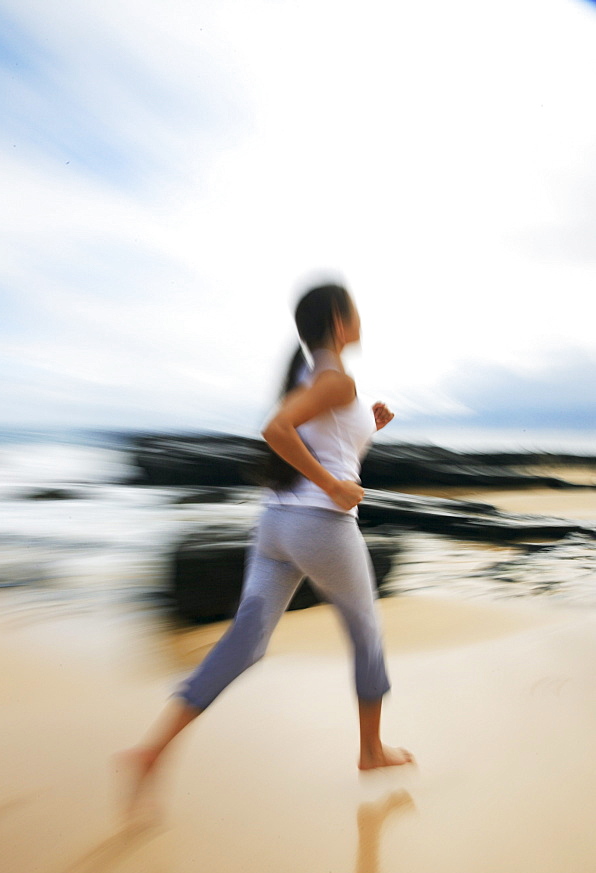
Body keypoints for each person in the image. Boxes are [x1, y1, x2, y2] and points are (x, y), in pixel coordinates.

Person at [118, 283, 413, 818]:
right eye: (355, 309)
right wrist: (333, 487)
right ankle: (371, 750)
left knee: (245, 643)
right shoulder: (333, 379)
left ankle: (151, 753)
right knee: (366, 630)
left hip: (277, 524)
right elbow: (276, 431)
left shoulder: (314, 378)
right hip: (320, 525)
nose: (360, 317)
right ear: (340, 322)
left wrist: (370, 423)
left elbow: (321, 437)